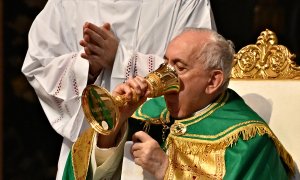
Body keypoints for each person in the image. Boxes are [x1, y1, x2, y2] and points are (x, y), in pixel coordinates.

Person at [63, 28, 295, 179]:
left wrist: (167, 170)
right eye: (166, 63)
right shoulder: (145, 112)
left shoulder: (247, 141)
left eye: (180, 68)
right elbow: (85, 172)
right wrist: (115, 126)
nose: (166, 77)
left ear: (213, 81)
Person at [21, 0, 216, 179]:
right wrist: (87, 68)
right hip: (92, 149)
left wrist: (122, 60)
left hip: (162, 145)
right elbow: (38, 65)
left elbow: (202, 66)